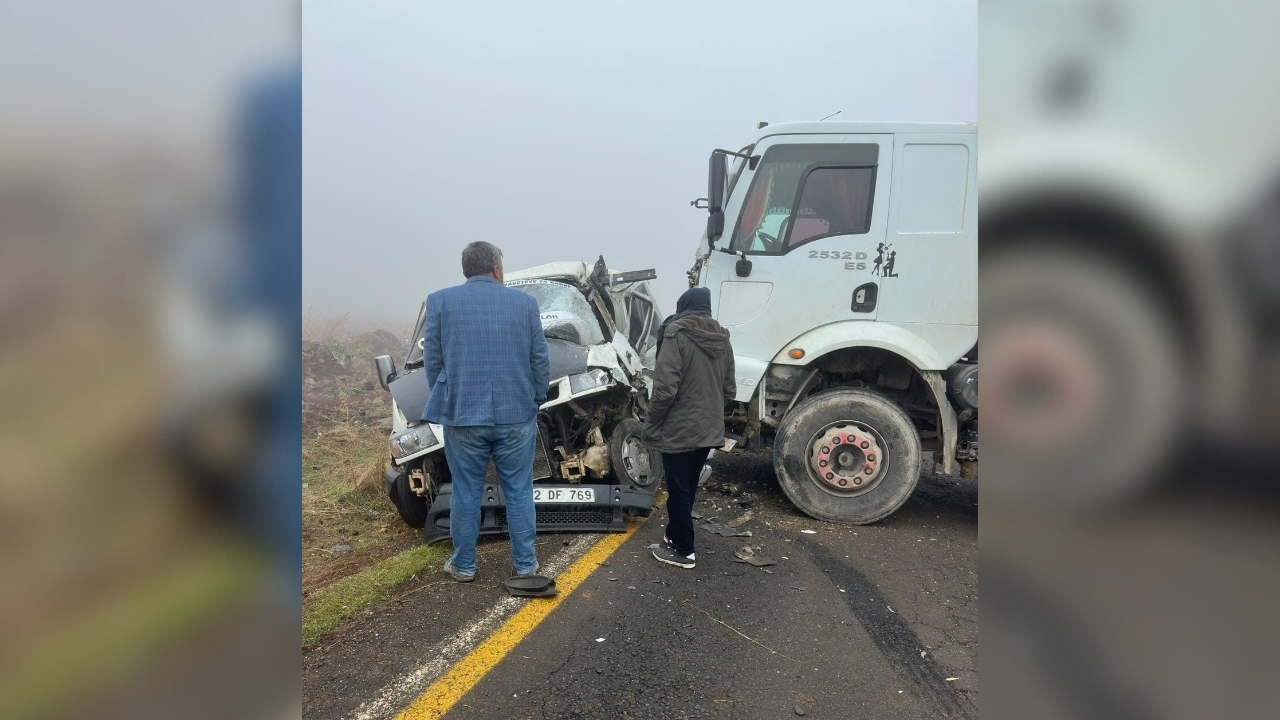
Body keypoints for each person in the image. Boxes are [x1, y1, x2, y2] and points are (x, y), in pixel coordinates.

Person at [422, 242, 550, 582]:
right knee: (519, 489)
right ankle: (526, 565)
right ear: (496, 269)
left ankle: (464, 565)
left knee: (465, 490)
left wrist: (450, 396)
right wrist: (535, 397)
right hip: (516, 413)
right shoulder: (525, 304)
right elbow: (539, 359)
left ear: (467, 269)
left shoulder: (439, 302)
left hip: (463, 416)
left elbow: (433, 364)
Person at [643, 287, 736, 569]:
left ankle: (684, 551)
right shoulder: (723, 340)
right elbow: (729, 390)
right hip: (709, 428)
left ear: (684, 306)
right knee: (688, 486)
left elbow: (664, 390)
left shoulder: (676, 334)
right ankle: (674, 535)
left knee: (678, 489)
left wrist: (652, 422)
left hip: (680, 427)